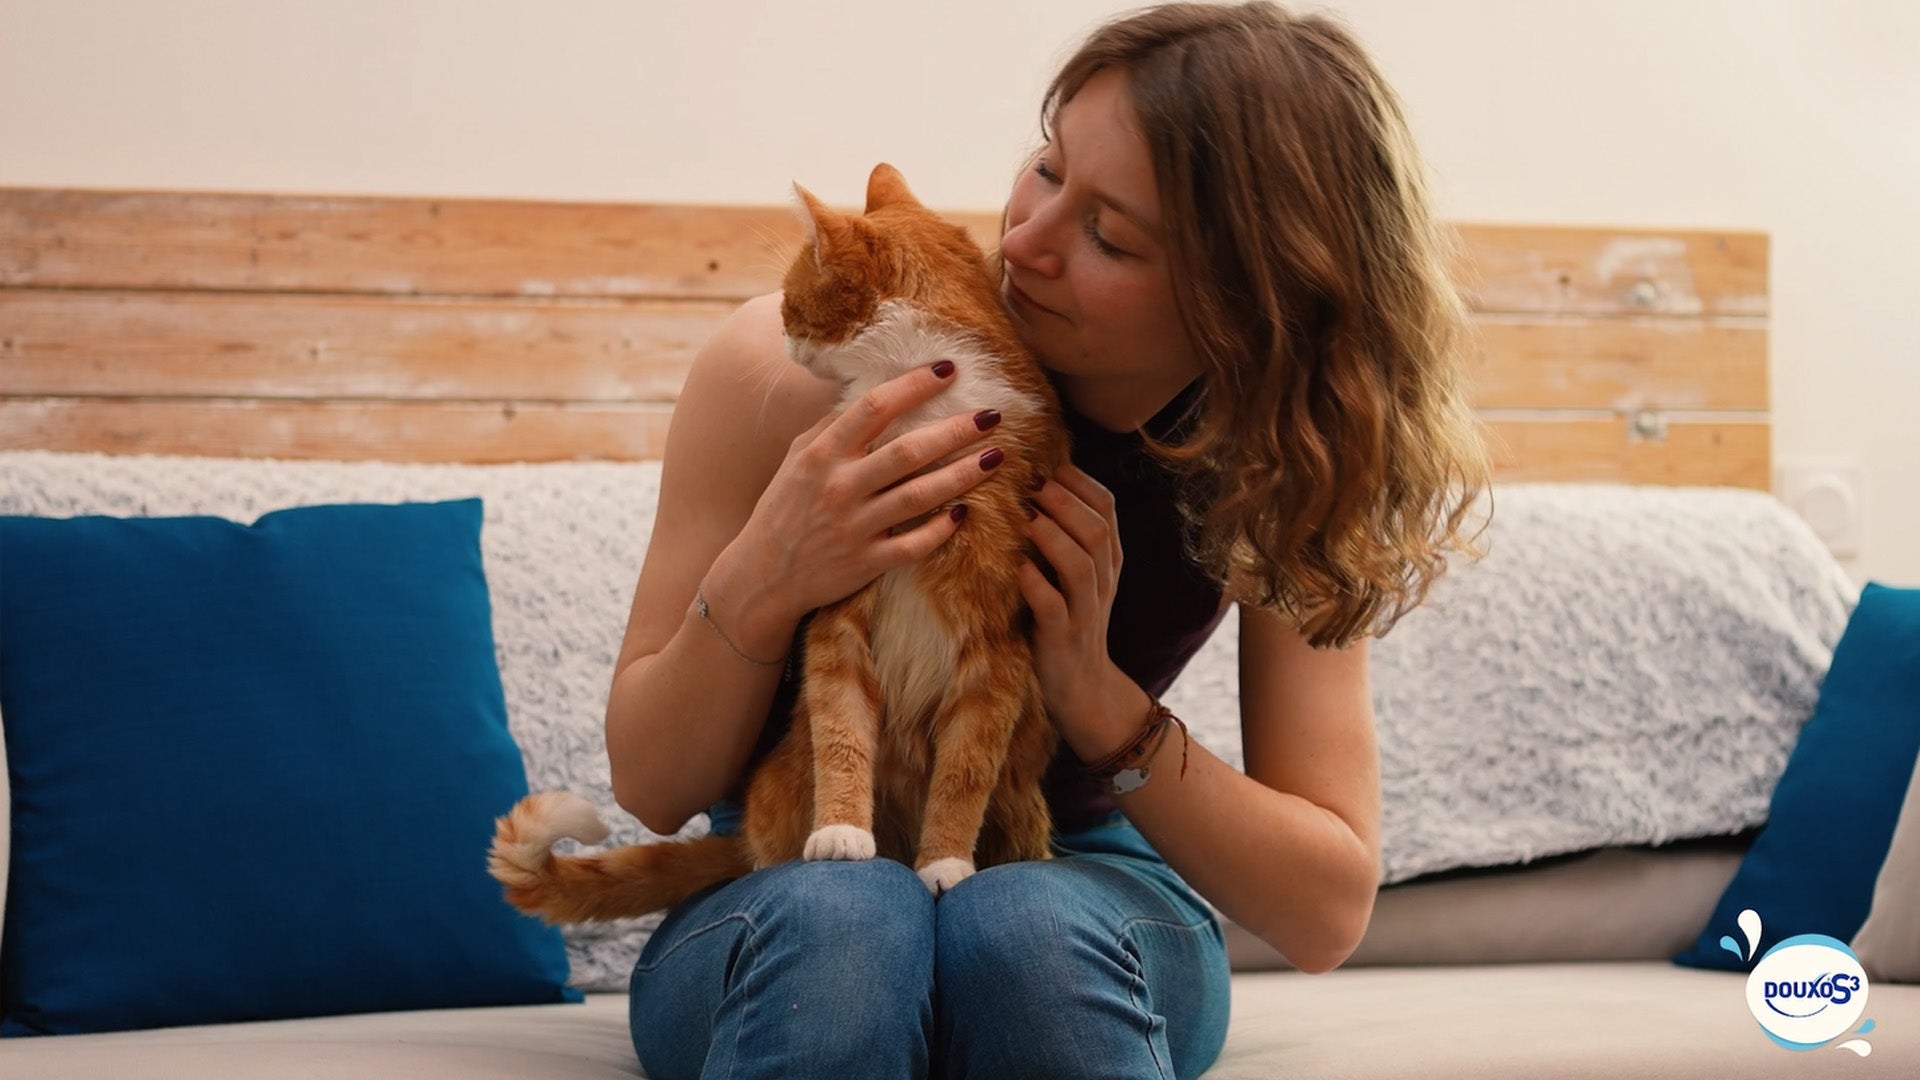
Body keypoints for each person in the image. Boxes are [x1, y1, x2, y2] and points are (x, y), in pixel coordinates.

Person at [605, 3, 1490, 1077]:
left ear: (1249, 309)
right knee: (850, 918)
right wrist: (764, 576)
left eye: (1109, 235)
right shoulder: (789, 371)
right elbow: (651, 784)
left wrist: (1101, 704)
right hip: (790, 869)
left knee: (1023, 929)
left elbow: (1324, 910)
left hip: (1063, 867)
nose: (1021, 240)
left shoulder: (1276, 465)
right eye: (1046, 164)